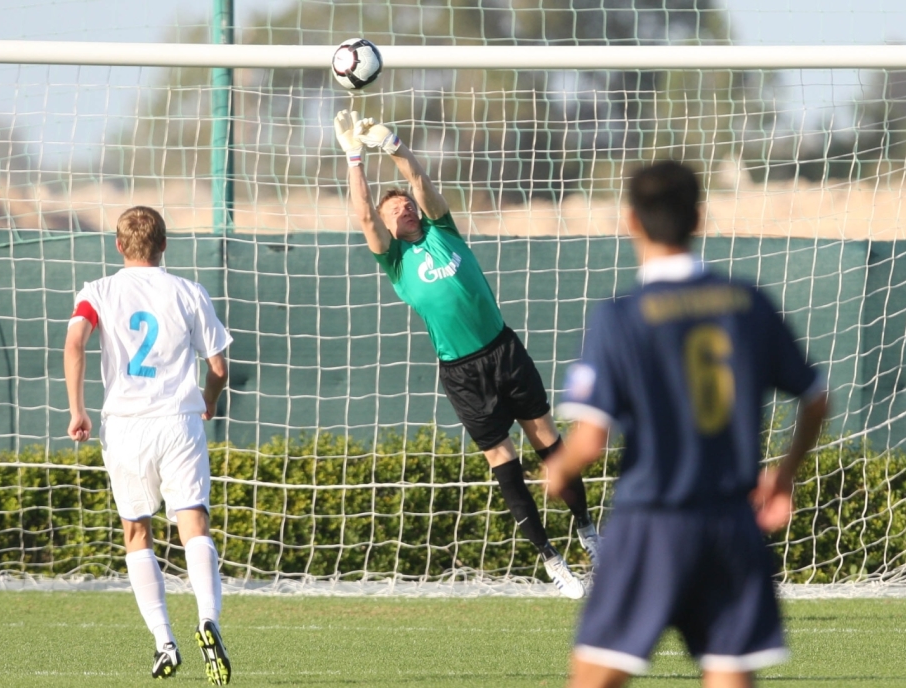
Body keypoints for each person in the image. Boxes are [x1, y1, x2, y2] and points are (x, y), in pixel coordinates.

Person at [544, 161, 829, 688]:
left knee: (593, 678)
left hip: (651, 522)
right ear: (698, 217)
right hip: (730, 521)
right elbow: (816, 400)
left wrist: (557, 472)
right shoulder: (748, 302)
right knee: (728, 672)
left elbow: (590, 440)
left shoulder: (620, 317)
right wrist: (784, 476)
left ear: (631, 220)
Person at [334, 109, 598, 598]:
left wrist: (393, 146)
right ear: (388, 228)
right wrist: (354, 158)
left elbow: (419, 181)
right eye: (395, 211)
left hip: (504, 350)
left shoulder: (442, 231)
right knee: (503, 459)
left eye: (406, 205)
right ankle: (551, 559)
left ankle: (587, 529)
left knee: (548, 443)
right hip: (461, 372)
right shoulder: (395, 262)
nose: (403, 210)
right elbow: (364, 213)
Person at [64, 206, 233, 684]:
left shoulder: (97, 291)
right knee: (193, 523)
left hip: (125, 426)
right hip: (179, 421)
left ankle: (164, 642)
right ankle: (208, 620)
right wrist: (208, 400)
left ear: (119, 245)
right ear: (164, 245)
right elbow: (219, 367)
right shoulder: (189, 291)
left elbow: (74, 343)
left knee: (137, 532)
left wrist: (78, 410)